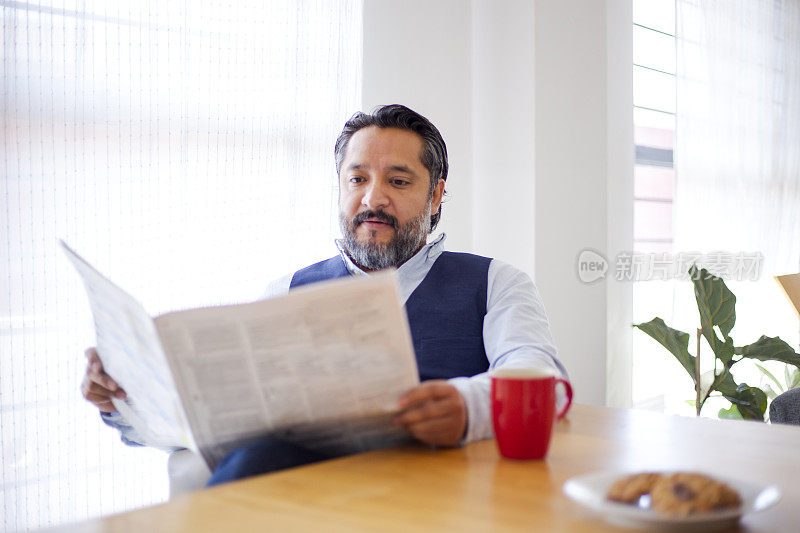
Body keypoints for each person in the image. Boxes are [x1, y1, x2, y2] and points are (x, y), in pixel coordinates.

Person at [81, 104, 568, 487]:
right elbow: (216, 423)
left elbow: (545, 379)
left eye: (398, 181)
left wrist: (467, 408)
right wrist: (122, 401)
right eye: (357, 179)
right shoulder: (286, 292)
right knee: (255, 455)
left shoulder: (496, 283)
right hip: (308, 492)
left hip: (439, 486)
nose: (373, 198)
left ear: (436, 195)